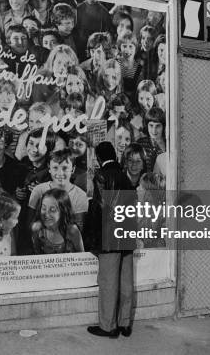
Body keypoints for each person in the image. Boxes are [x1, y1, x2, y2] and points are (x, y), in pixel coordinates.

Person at [87, 141, 135, 338]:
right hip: (126, 235)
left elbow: (98, 209)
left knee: (108, 283)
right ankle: (125, 323)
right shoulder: (126, 177)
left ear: (99, 158)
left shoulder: (101, 176)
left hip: (109, 237)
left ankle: (108, 326)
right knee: (126, 281)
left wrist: (92, 239)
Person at [30, 188, 83, 254]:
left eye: (52, 209)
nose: (46, 214)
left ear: (63, 211)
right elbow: (36, 255)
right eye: (43, 208)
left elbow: (82, 257)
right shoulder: (37, 228)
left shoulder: (72, 230)